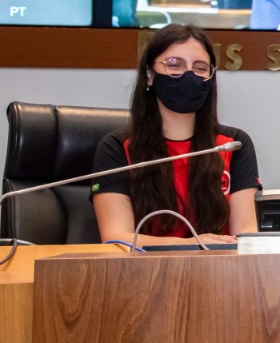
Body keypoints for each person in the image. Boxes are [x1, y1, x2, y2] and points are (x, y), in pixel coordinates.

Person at [91, 24, 260, 246]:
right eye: (174, 65)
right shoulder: (117, 147)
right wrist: (194, 244)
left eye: (200, 68)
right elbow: (116, 237)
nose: (188, 74)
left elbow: (246, 234)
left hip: (219, 271)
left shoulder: (233, 145)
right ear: (150, 75)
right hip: (143, 274)